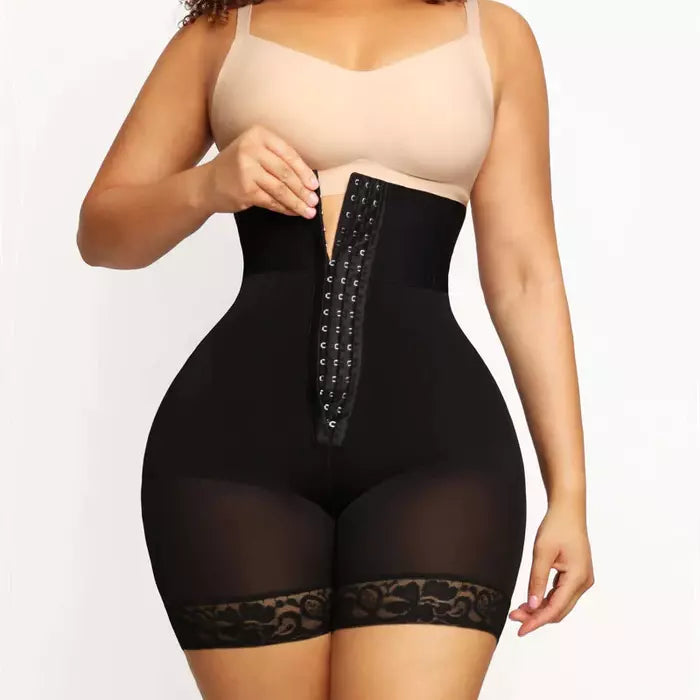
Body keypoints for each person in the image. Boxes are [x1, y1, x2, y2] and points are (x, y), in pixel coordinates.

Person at [77, 0, 594, 697]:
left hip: (438, 459)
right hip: (232, 459)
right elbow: (101, 233)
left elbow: (525, 275)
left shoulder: (494, 36)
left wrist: (570, 493)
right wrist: (206, 185)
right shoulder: (221, 33)